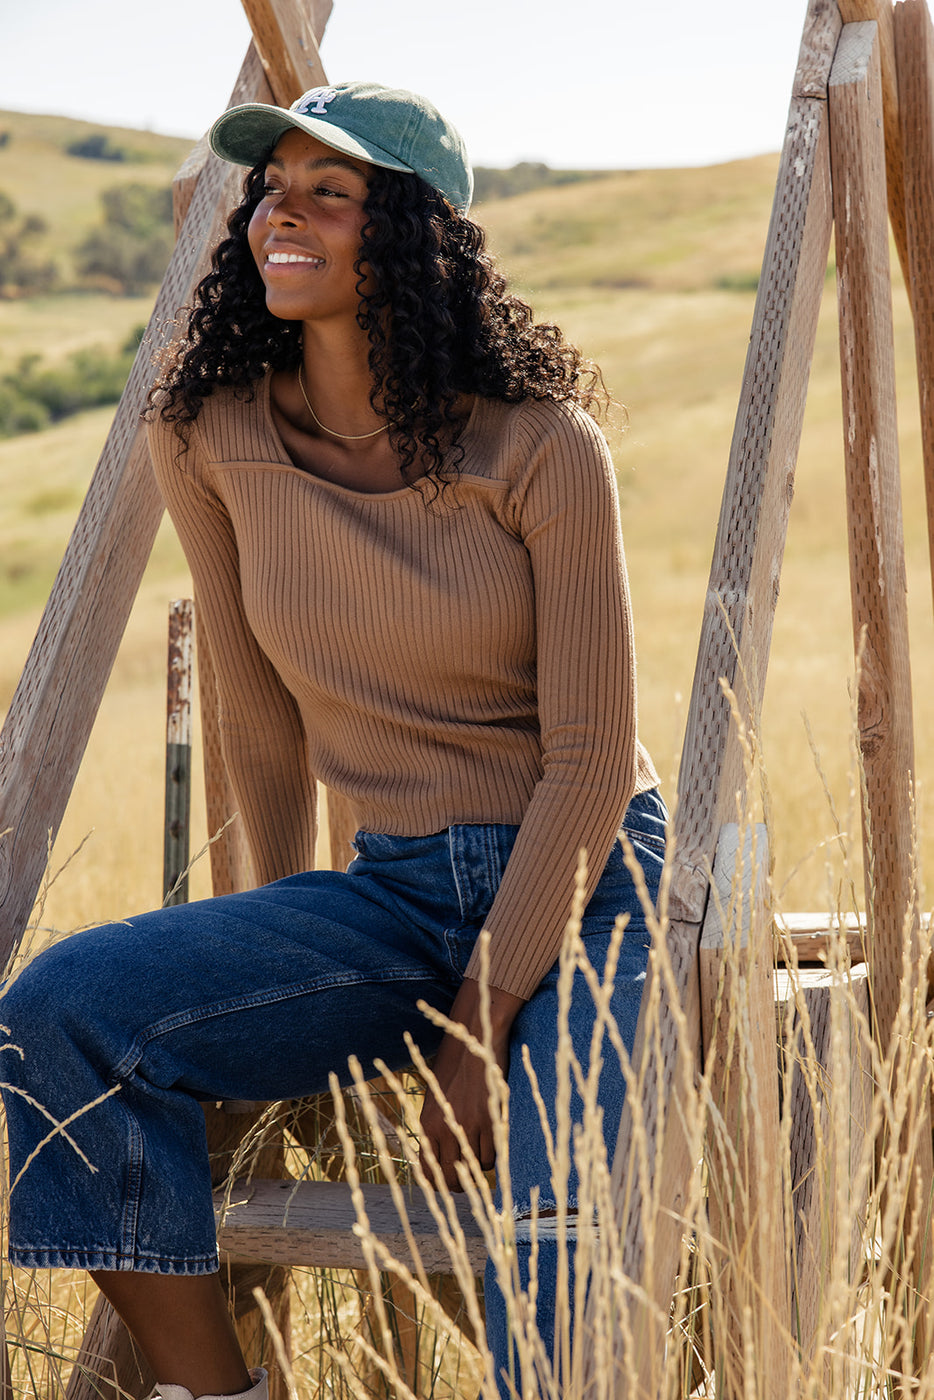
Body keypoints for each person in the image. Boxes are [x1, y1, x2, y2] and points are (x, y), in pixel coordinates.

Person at [0, 82, 663, 1400]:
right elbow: (257, 716)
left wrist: (479, 1032)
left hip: (588, 888)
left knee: (547, 1240)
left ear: (410, 233)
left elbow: (590, 760)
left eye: (329, 192)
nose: (278, 217)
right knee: (53, 1021)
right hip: (392, 890)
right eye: (270, 187)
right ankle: (222, 1390)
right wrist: (262, 946)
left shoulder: (538, 445)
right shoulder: (210, 433)